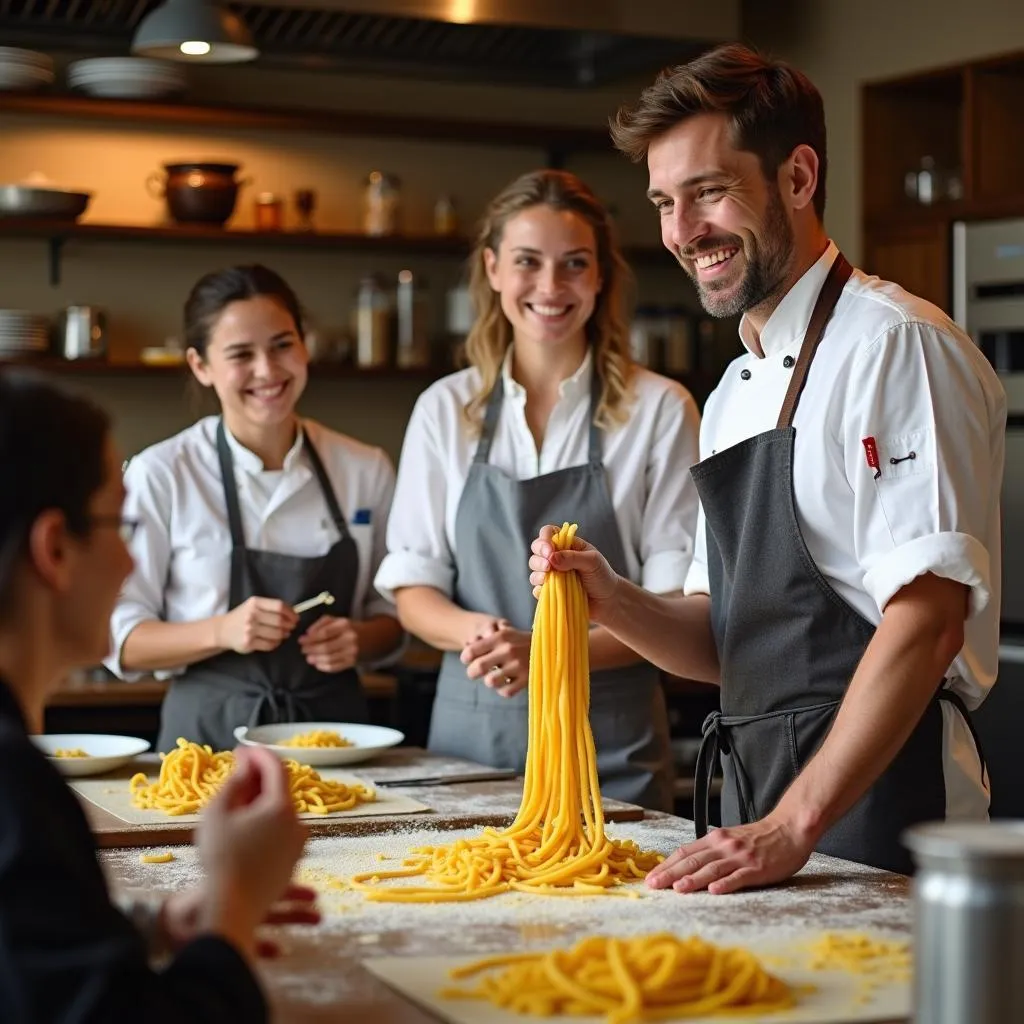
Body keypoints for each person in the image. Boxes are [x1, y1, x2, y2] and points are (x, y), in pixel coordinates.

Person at [529, 44, 1006, 887]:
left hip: (886, 807)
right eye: (665, 203)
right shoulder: (732, 393)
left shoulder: (896, 347)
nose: (681, 233)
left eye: (709, 192)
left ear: (797, 176)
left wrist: (794, 823)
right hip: (761, 812)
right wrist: (614, 596)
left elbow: (928, 622)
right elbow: (729, 644)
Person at [376, 169, 701, 811]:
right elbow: (414, 590)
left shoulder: (661, 409)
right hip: (470, 747)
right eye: (529, 262)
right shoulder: (445, 408)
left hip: (610, 748)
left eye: (574, 264)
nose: (551, 288)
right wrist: (491, 639)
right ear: (493, 268)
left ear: (601, 274)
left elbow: (669, 607)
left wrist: (549, 649)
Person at [0, 368, 317, 1021]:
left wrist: (149, 927)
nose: (132, 564)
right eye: (121, 524)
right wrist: (231, 898)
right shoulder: (13, 787)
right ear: (55, 548)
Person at [106, 264, 403, 752]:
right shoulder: (162, 473)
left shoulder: (364, 468)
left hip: (335, 741)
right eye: (241, 354)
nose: (267, 370)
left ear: (304, 346)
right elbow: (120, 640)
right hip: (204, 742)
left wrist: (359, 639)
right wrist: (221, 629)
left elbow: (392, 618)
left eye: (283, 344)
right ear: (201, 366)